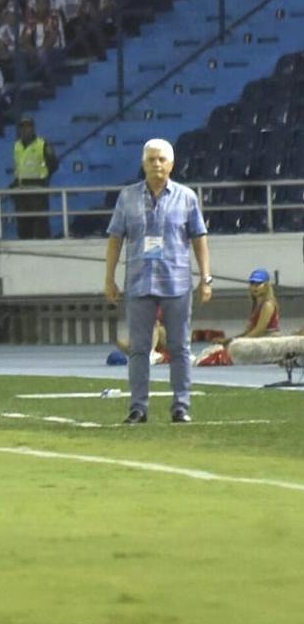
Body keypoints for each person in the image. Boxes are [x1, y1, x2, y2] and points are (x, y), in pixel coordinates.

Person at [105, 138, 211, 424]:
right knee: (139, 349)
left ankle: (181, 406)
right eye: (151, 159)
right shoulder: (127, 197)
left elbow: (199, 239)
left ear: (172, 164)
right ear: (143, 164)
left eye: (162, 159)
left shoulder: (187, 197)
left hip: (176, 282)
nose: (156, 164)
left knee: (180, 347)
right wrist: (109, 278)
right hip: (139, 281)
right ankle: (138, 407)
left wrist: (206, 278)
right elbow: (115, 239)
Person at [12, 115, 57, 240]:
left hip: (38, 188)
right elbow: (18, 165)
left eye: (28, 126)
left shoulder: (42, 144)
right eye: (23, 127)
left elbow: (53, 163)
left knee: (40, 223)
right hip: (21, 189)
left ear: (33, 128)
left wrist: (44, 177)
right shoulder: (17, 145)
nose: (25, 130)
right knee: (23, 224)